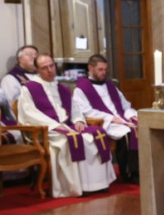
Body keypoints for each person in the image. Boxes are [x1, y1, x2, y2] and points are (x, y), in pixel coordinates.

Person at [17, 54, 115, 197]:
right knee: (72, 139)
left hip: (67, 126)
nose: (50, 70)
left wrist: (79, 120)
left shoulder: (62, 88)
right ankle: (76, 187)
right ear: (37, 70)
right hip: (46, 130)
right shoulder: (29, 88)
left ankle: (98, 184)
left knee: (96, 134)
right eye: (44, 68)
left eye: (52, 66)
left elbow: (74, 109)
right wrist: (54, 125)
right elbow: (29, 114)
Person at [73, 54, 140, 184]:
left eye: (105, 69)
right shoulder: (81, 89)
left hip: (121, 119)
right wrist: (110, 118)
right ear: (90, 68)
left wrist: (130, 115)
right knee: (127, 134)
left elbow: (125, 105)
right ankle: (128, 173)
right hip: (105, 123)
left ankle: (142, 170)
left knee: (140, 128)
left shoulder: (110, 86)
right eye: (100, 69)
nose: (104, 72)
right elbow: (85, 111)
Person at [1, 44, 38, 122]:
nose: (34, 57)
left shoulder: (41, 76)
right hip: (27, 121)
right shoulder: (10, 79)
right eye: (29, 54)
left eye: (35, 55)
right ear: (20, 59)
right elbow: (13, 105)